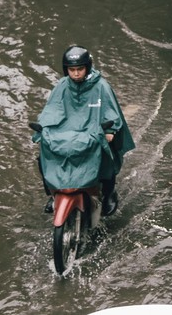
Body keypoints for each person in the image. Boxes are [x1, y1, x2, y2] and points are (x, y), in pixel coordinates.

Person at [36, 45, 135, 216]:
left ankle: (109, 193)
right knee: (44, 153)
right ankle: (53, 193)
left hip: (93, 131)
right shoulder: (62, 86)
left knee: (106, 155)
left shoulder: (101, 86)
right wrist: (43, 129)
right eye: (71, 69)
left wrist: (110, 130)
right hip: (68, 133)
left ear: (87, 67)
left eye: (79, 69)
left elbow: (111, 111)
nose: (75, 73)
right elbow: (51, 110)